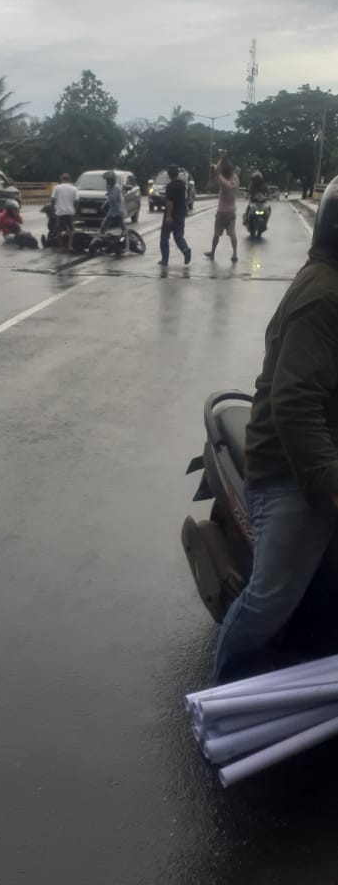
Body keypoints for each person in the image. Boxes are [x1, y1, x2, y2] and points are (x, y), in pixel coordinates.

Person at [214, 176, 338, 683]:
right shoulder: (324, 297)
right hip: (290, 470)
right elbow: (296, 402)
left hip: (321, 450)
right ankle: (218, 700)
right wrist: (330, 484)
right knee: (269, 600)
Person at [204, 155, 239, 263]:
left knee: (216, 234)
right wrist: (225, 160)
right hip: (232, 211)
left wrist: (220, 160)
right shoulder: (235, 179)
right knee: (232, 234)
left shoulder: (223, 181)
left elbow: (217, 171)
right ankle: (235, 253)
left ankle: (213, 252)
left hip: (222, 211)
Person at [158, 164, 191, 267]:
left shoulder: (170, 186)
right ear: (177, 174)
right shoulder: (182, 185)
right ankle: (185, 249)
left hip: (172, 215)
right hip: (181, 214)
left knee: (164, 237)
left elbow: (170, 202)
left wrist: (168, 216)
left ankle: (165, 259)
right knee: (178, 236)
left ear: (169, 174)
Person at [51, 173, 79, 252]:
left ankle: (61, 247)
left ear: (61, 179)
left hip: (60, 212)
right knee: (71, 229)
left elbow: (53, 199)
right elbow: (77, 201)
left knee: (59, 230)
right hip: (70, 212)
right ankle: (70, 246)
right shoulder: (74, 188)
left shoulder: (57, 187)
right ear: (69, 179)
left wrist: (53, 209)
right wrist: (75, 211)